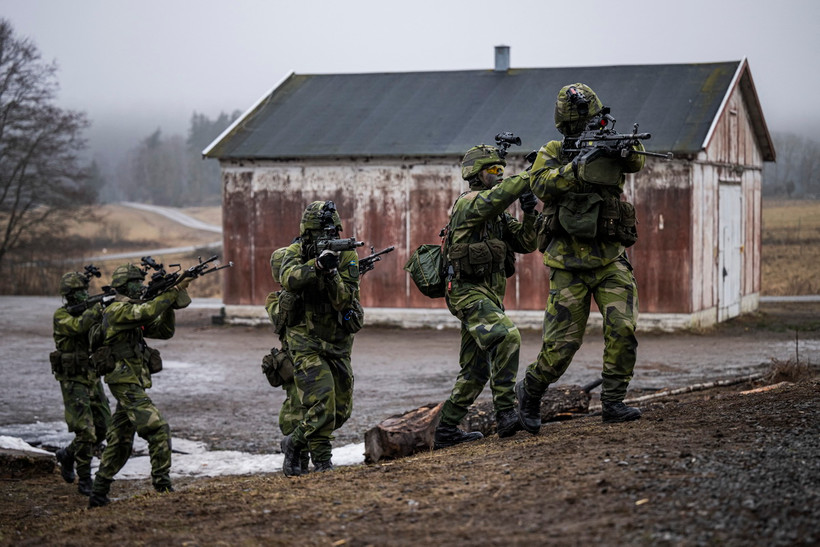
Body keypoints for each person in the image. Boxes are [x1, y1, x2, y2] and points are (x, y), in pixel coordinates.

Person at [516, 83, 646, 434]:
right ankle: (530, 391)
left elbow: (637, 160)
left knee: (623, 328)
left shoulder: (610, 143)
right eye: (581, 124)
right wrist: (577, 167)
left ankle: (614, 402)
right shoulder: (553, 150)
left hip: (609, 258)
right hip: (567, 264)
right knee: (561, 346)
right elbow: (540, 184)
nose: (586, 128)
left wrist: (619, 147)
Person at [433, 144, 538, 449]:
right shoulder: (468, 203)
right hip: (465, 293)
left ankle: (446, 430)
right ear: (476, 174)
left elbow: (527, 243)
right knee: (507, 336)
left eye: (502, 170)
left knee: (476, 370)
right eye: (493, 170)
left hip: (488, 296)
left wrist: (530, 212)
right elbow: (499, 196)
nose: (500, 174)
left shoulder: (497, 216)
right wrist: (533, 173)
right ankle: (506, 413)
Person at [88, 264, 192, 507]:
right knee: (157, 427)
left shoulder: (131, 308)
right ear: (123, 286)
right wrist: (173, 290)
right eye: (136, 282)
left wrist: (170, 302)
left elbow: (164, 331)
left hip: (132, 380)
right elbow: (146, 312)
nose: (141, 286)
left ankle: (98, 491)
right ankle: (162, 486)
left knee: (121, 441)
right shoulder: (117, 310)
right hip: (123, 382)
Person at [277, 201, 362, 476]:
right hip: (306, 340)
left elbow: (344, 301)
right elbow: (288, 279)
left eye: (334, 232)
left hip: (337, 342)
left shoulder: (346, 255)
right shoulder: (295, 252)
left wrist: (332, 271)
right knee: (323, 401)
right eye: (322, 233)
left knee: (340, 410)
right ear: (309, 232)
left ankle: (294, 442)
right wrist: (315, 265)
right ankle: (323, 463)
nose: (331, 237)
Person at [51, 272, 111, 496]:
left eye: (85, 290)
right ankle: (85, 478)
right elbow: (78, 326)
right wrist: (98, 308)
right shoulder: (61, 315)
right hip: (73, 379)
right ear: (69, 295)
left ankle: (68, 454)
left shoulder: (89, 311)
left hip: (92, 376)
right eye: (79, 292)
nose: (85, 294)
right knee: (85, 431)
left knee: (104, 426)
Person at [263, 244, 311, 473]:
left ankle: (304, 456)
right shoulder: (275, 298)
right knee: (296, 408)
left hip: (313, 355)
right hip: (293, 359)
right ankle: (297, 457)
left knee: (316, 408)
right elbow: (281, 318)